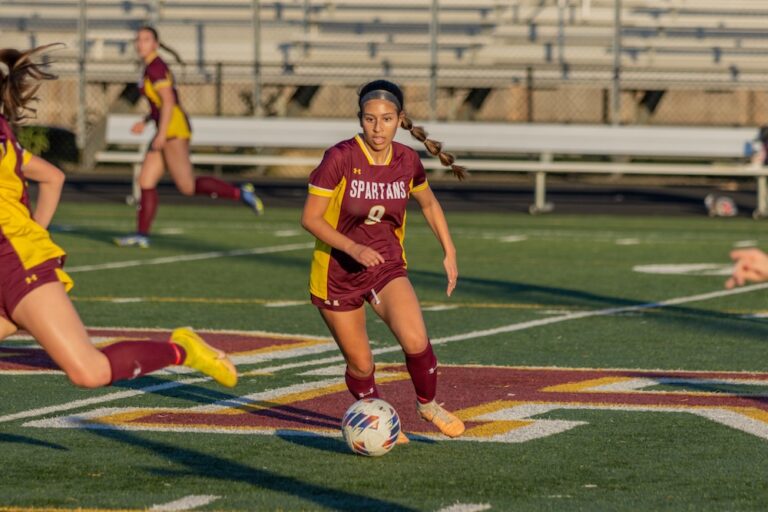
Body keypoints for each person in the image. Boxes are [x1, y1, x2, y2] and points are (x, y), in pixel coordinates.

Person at [0, 44, 237, 389]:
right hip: (14, 255)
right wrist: (32, 234)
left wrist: (26, 242)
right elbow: (53, 178)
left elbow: (52, 179)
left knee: (89, 371)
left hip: (13, 261)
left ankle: (181, 350)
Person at [300, 79, 467, 441]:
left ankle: (428, 405)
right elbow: (310, 219)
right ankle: (379, 421)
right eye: (370, 119)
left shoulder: (407, 160)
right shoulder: (340, 157)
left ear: (400, 119)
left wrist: (449, 250)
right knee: (361, 364)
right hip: (336, 272)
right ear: (360, 119)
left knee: (416, 339)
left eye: (387, 119)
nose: (378, 128)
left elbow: (429, 203)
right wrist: (352, 248)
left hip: (385, 264)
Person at [114, 26, 264, 249]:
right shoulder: (150, 66)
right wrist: (146, 121)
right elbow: (160, 103)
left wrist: (162, 134)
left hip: (173, 130)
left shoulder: (155, 67)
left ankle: (239, 192)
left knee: (187, 186)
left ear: (155, 43)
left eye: (145, 39)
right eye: (138, 39)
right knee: (145, 181)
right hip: (166, 127)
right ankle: (142, 234)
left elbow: (169, 102)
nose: (140, 43)